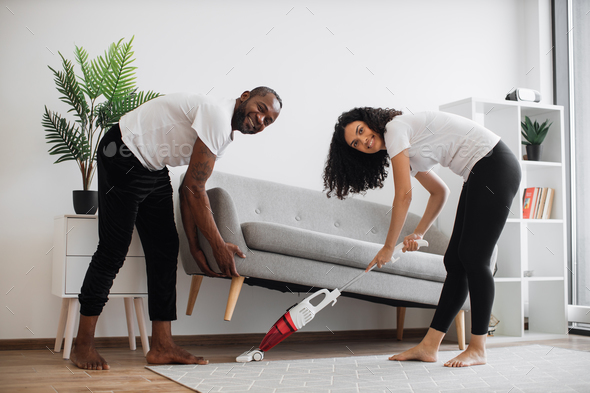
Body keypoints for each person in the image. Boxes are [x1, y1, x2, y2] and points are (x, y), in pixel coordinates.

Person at [71, 87, 282, 370]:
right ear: (244, 96)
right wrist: (218, 246)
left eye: (268, 121)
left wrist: (194, 245)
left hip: (153, 165)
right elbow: (196, 189)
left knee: (165, 249)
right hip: (122, 152)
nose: (260, 120)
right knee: (113, 250)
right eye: (261, 109)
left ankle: (161, 346)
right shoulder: (217, 114)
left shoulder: (223, 134)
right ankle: (82, 345)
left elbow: (188, 189)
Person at [323, 107, 520, 367]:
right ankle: (429, 346)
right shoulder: (404, 148)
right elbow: (439, 192)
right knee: (455, 261)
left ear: (370, 122)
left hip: (494, 164)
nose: (364, 141)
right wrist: (418, 232)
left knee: (474, 257)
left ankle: (478, 347)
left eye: (361, 131)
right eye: (356, 144)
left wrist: (388, 246)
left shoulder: (395, 129)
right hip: (480, 170)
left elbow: (404, 195)